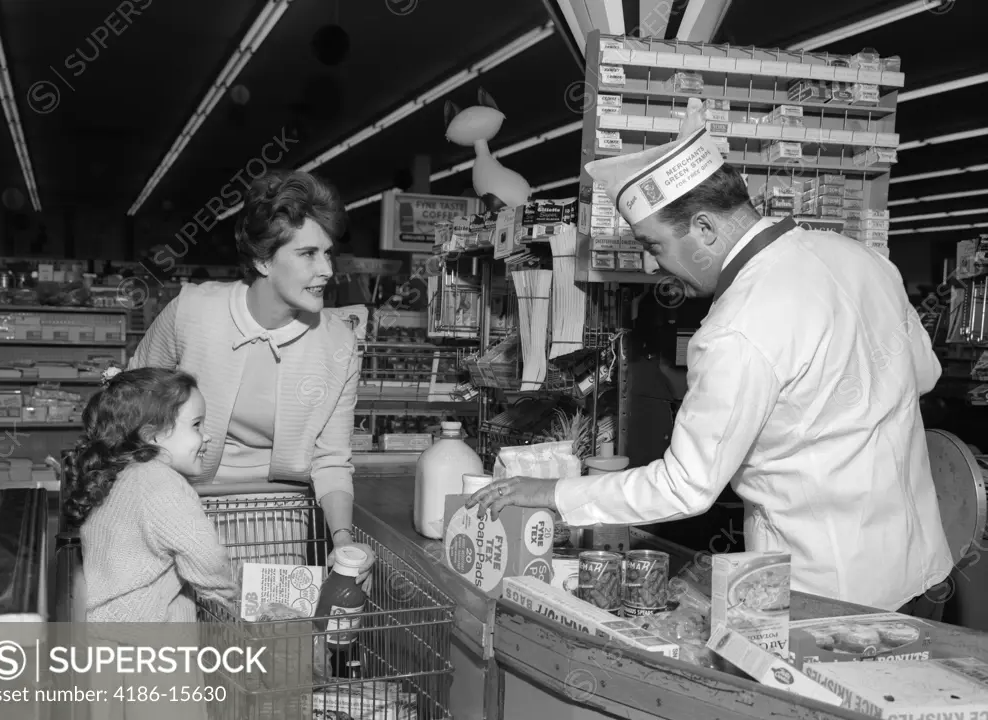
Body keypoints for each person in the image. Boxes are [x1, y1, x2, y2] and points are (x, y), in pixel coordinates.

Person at [470, 98, 955, 618]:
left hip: (829, 598)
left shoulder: (735, 328)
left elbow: (686, 487)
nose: (656, 266)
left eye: (653, 245)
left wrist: (550, 491)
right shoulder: (861, 258)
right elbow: (924, 374)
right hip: (924, 573)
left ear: (704, 228)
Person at [130, 169, 360, 551]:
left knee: (271, 610)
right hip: (179, 496)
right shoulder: (192, 312)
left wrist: (343, 540)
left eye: (328, 252)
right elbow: (133, 397)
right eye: (307, 254)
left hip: (276, 513)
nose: (327, 270)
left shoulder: (338, 345)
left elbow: (332, 460)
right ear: (263, 260)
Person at [64, 367, 237, 720]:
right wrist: (231, 591)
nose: (206, 436)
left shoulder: (116, 474)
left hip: (105, 653)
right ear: (153, 433)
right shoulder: (163, 484)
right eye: (196, 425)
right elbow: (207, 557)